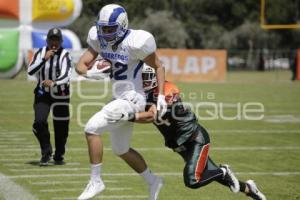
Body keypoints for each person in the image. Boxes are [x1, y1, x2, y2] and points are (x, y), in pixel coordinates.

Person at [108, 64, 267, 200]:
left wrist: (127, 115)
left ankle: (224, 171)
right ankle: (249, 188)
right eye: (142, 78)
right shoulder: (141, 94)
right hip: (179, 143)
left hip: (194, 137)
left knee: (193, 179)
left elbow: (152, 115)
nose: (145, 81)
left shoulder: (167, 90)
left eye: (148, 77)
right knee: (209, 173)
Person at [75, 4, 167, 200]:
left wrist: (159, 96)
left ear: (123, 26)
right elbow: (80, 66)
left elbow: (159, 66)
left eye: (110, 29)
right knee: (121, 149)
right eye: (103, 28)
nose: (106, 33)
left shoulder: (137, 42)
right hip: (118, 97)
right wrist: (91, 74)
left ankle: (96, 181)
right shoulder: (98, 38)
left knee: (92, 128)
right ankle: (153, 180)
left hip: (134, 98)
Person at [27, 28, 72, 166]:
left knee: (61, 128)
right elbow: (30, 71)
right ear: (47, 40)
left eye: (57, 40)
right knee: (39, 122)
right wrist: (43, 59)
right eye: (51, 39)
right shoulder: (40, 52)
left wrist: (54, 83)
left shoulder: (65, 55)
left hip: (61, 94)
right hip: (43, 93)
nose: (54, 42)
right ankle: (46, 152)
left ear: (61, 41)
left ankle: (59, 154)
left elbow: (66, 76)